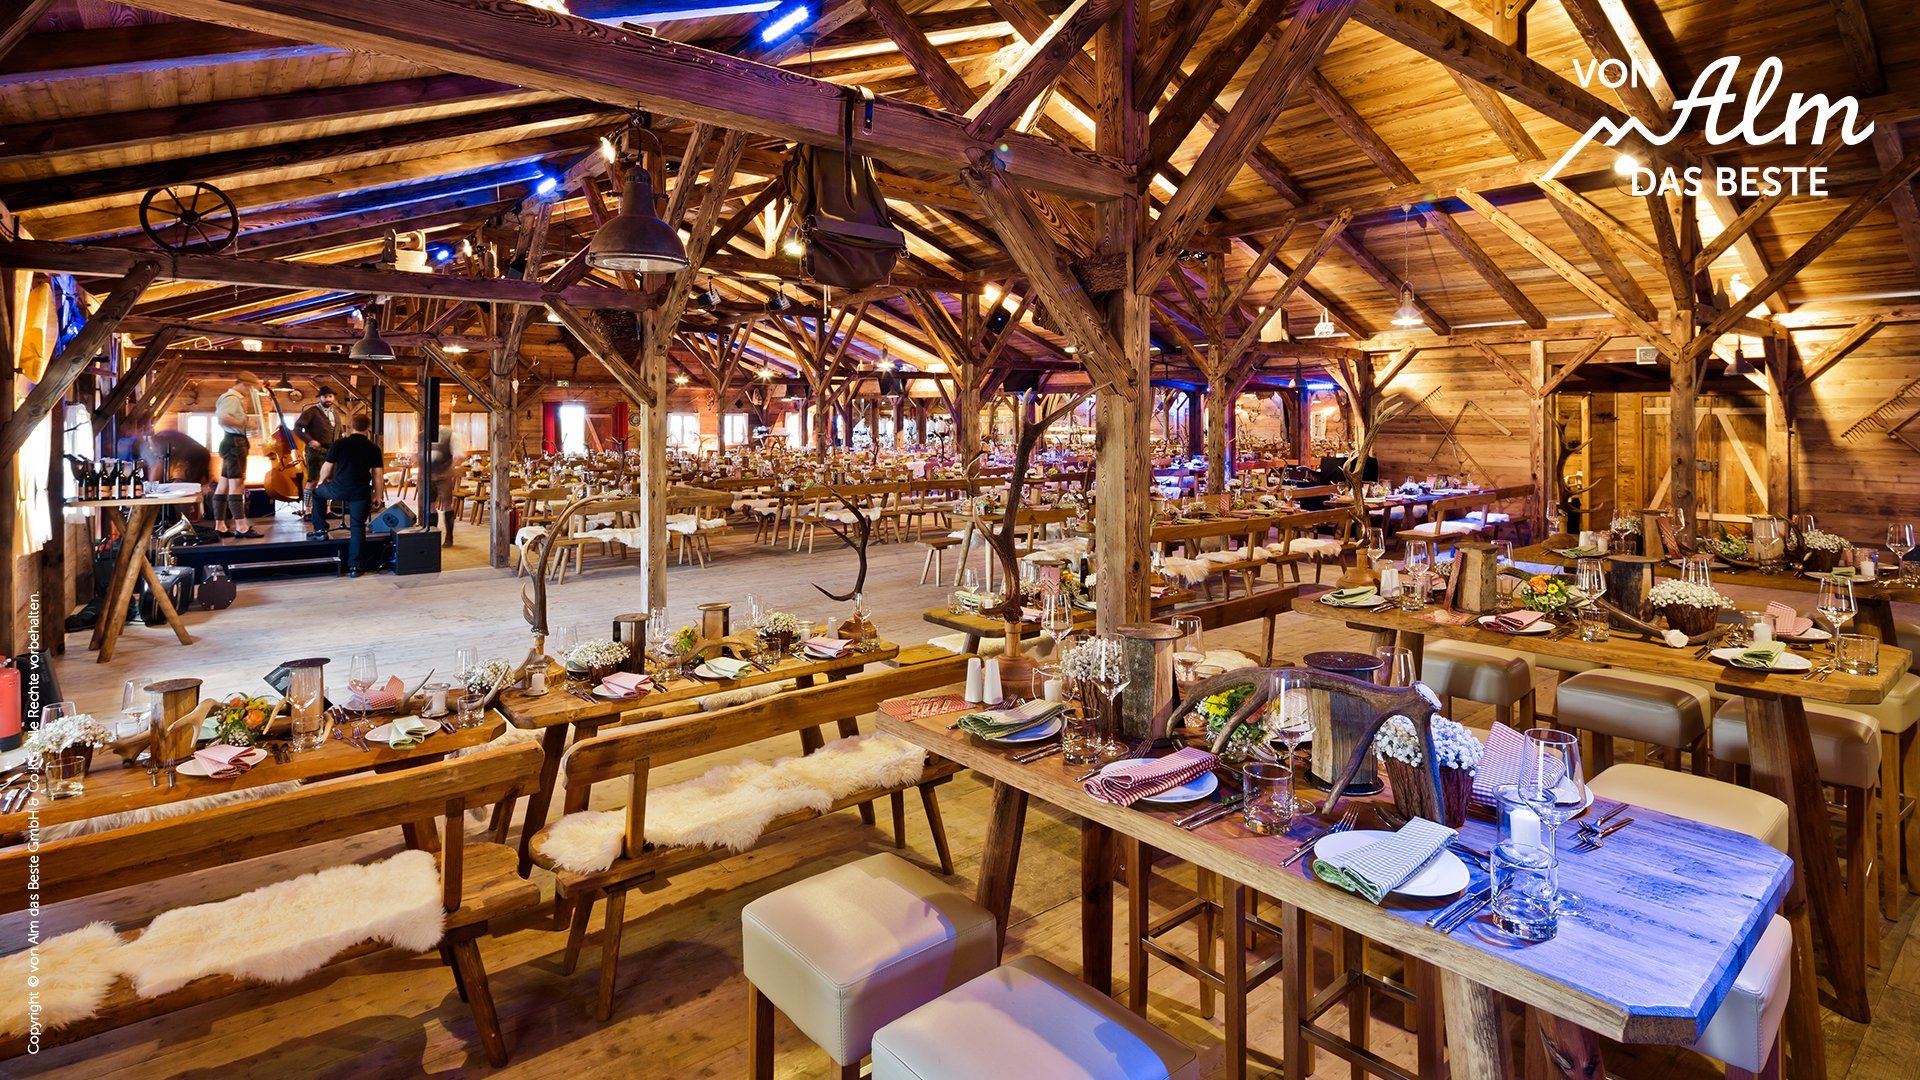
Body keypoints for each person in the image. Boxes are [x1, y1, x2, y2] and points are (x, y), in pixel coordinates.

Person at [312, 412, 384, 577]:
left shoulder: (339, 444)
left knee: (316, 493)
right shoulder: (373, 448)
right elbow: (377, 475)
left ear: (350, 427)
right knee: (358, 527)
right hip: (360, 492)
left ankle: (320, 530)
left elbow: (327, 467)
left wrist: (321, 482)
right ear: (368, 428)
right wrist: (378, 495)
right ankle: (355, 567)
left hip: (338, 489)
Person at [211, 379, 258, 539]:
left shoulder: (227, 397)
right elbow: (223, 419)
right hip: (235, 444)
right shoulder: (232, 399)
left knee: (223, 485)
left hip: (231, 442)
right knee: (236, 485)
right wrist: (246, 423)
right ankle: (242, 527)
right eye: (250, 387)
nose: (249, 391)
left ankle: (220, 526)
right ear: (244, 384)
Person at [294, 385, 340, 538]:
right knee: (313, 480)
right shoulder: (312, 411)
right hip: (315, 452)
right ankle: (308, 511)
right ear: (320, 397)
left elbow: (338, 432)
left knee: (328, 480)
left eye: (330, 396)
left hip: (332, 451)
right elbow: (297, 428)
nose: (328, 399)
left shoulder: (335, 413)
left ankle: (326, 510)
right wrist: (309, 441)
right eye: (325, 396)